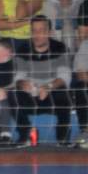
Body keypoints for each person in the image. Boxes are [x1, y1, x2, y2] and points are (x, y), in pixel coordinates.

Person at [12, 15, 72, 145]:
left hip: (52, 94)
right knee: (12, 95)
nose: (37, 34)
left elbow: (65, 77)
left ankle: (63, 140)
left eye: (42, 30)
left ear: (49, 32)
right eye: (34, 30)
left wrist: (48, 86)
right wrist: (22, 84)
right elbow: (18, 77)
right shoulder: (23, 49)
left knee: (64, 94)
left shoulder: (60, 48)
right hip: (31, 96)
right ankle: (26, 135)